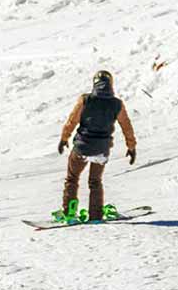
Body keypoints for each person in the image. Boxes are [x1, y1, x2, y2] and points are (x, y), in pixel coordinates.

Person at [58, 70, 137, 222]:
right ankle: (95, 216)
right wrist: (131, 147)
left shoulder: (85, 100)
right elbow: (126, 126)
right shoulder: (117, 104)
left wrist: (64, 138)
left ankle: (69, 213)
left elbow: (72, 121)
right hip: (102, 149)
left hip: (82, 147)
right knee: (95, 182)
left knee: (72, 179)